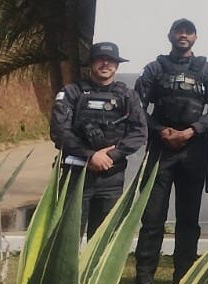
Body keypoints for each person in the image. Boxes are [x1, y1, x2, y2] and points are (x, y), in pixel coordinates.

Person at [125, 18, 208, 284]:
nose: (183, 36)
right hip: (160, 149)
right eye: (178, 32)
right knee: (152, 221)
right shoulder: (155, 69)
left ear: (195, 37)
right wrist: (160, 130)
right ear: (170, 35)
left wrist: (192, 130)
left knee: (188, 222)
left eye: (188, 32)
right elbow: (137, 106)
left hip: (193, 151)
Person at [49, 41, 147, 237]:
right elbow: (59, 131)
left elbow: (139, 132)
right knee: (68, 237)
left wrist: (110, 155)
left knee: (103, 240)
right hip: (76, 175)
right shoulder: (71, 92)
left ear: (117, 65)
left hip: (111, 177)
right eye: (100, 59)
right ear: (91, 63)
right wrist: (90, 156)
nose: (105, 64)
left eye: (111, 61)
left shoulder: (128, 96)